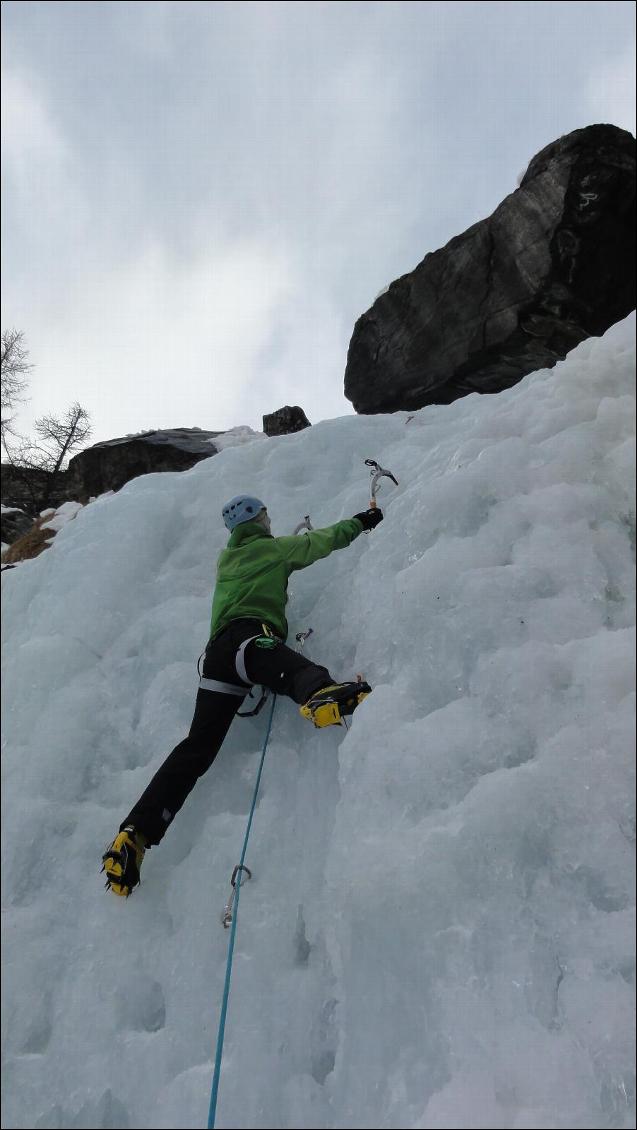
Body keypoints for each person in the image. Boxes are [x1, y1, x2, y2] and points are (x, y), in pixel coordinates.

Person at [102, 494, 383, 896]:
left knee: (196, 748)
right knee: (293, 671)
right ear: (262, 519)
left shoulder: (226, 559)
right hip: (251, 640)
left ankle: (134, 834)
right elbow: (320, 542)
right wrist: (362, 520)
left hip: (217, 659)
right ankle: (322, 696)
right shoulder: (275, 549)